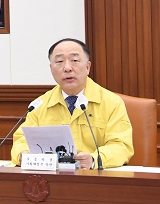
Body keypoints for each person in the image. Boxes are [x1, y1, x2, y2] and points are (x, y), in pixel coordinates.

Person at [11, 38, 133, 169]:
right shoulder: (40, 105)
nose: (67, 68)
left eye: (74, 61)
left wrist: (93, 159)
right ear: (51, 69)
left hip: (94, 178)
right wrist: (23, 154)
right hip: (52, 180)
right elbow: (21, 140)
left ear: (87, 67)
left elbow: (121, 146)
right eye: (59, 62)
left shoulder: (111, 102)